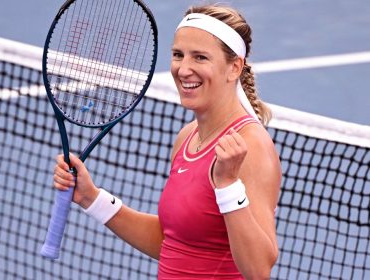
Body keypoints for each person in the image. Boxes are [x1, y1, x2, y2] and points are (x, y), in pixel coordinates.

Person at [53, 4, 281, 279]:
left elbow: (259, 270)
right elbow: (172, 242)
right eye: (178, 55)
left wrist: (228, 185)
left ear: (234, 68)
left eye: (200, 58)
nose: (184, 69)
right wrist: (92, 197)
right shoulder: (188, 137)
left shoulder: (251, 147)